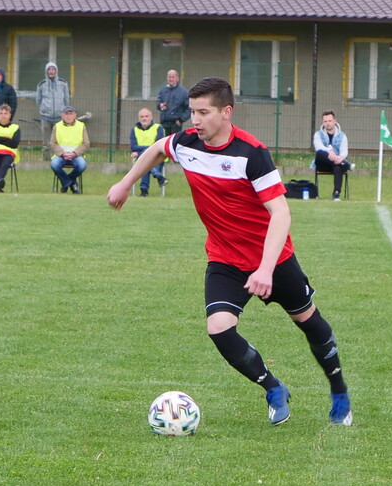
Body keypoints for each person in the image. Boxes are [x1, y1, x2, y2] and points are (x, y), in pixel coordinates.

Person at [106, 76, 353, 426]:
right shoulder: (187, 143)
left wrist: (265, 269)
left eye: (203, 112)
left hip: (273, 259)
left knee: (307, 321)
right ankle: (273, 388)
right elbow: (158, 148)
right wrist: (125, 183)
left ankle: (339, 391)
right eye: (192, 112)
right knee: (219, 328)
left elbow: (281, 213)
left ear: (226, 112)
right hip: (225, 259)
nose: (195, 120)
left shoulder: (251, 153)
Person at [312, 111, 351, 200]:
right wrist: (329, 151)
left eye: (330, 121)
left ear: (335, 121)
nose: (327, 123)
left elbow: (344, 152)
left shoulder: (342, 136)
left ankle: (336, 193)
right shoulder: (318, 135)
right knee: (319, 153)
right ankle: (345, 164)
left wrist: (339, 158)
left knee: (337, 166)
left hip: (336, 163)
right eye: (325, 121)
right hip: (322, 164)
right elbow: (318, 147)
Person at [50, 106, 89, 192]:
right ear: (62, 115)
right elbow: (52, 143)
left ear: (75, 115)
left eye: (71, 114)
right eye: (66, 114)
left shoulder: (81, 126)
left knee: (82, 165)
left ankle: (66, 182)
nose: (68, 116)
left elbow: (86, 143)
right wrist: (62, 153)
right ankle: (71, 183)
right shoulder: (57, 126)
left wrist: (75, 153)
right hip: (61, 155)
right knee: (54, 165)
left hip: (76, 155)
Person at [129, 107, 167, 196]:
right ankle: (158, 176)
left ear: (151, 117)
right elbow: (133, 147)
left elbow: (159, 144)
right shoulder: (134, 130)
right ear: (139, 118)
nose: (144, 119)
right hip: (141, 157)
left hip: (157, 156)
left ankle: (144, 191)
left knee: (146, 160)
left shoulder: (158, 128)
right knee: (145, 158)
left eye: (146, 116)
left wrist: (142, 151)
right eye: (142, 117)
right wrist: (149, 149)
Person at [36, 62, 72, 152]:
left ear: (56, 71)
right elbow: (38, 100)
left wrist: (62, 110)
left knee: (59, 142)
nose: (51, 71)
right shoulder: (41, 84)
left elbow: (66, 99)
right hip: (46, 117)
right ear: (46, 71)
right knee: (46, 143)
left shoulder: (63, 83)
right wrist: (44, 108)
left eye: (53, 69)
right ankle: (46, 159)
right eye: (49, 69)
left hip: (59, 117)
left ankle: (59, 158)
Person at [156, 69, 190, 134]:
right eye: (169, 77)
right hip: (164, 122)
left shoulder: (183, 92)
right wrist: (160, 105)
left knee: (174, 140)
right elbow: (158, 103)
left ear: (177, 79)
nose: (171, 79)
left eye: (173, 77)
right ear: (167, 78)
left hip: (176, 123)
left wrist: (181, 120)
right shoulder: (163, 91)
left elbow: (189, 108)